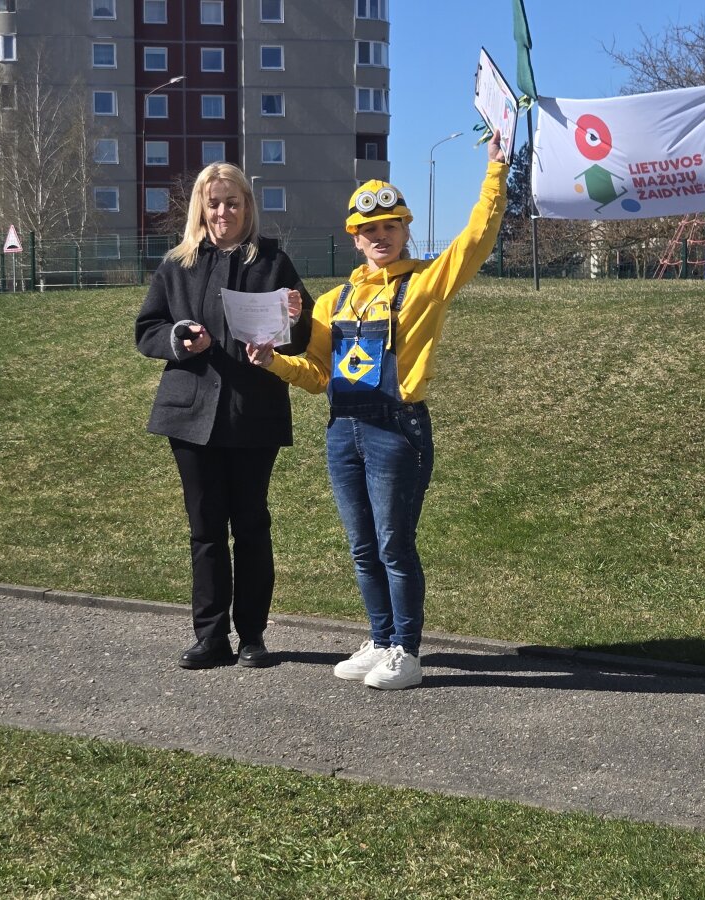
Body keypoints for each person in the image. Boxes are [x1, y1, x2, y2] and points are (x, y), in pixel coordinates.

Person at [247, 129, 509, 690]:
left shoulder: (426, 285)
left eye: (390, 226)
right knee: (362, 547)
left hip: (397, 430)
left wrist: (495, 173)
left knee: (394, 545)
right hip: (343, 431)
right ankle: (381, 637)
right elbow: (317, 376)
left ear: (405, 230)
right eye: (369, 230)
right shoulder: (334, 301)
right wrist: (272, 362)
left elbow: (476, 239)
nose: (380, 236)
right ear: (355, 239)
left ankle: (407, 652)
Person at [135, 162, 313, 671]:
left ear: (246, 207)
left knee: (251, 525)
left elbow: (302, 336)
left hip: (252, 414)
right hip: (189, 415)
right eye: (213, 203)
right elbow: (147, 329)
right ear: (200, 206)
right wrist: (180, 337)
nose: (222, 213)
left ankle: (252, 636)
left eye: (232, 203)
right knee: (205, 529)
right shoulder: (177, 264)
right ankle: (210, 636)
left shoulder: (274, 261)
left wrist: (295, 318)